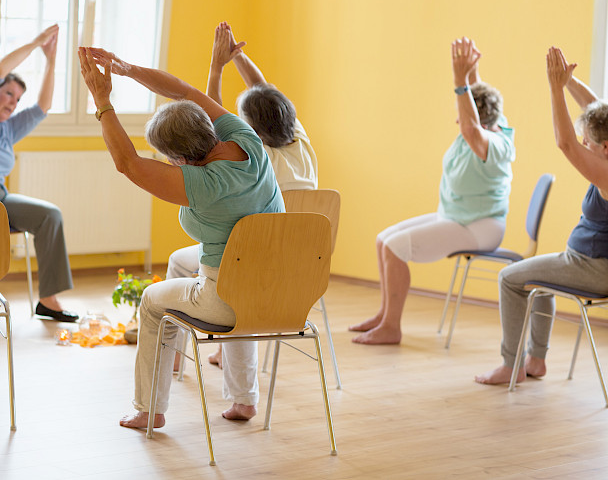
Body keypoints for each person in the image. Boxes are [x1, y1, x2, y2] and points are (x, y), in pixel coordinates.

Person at [78, 45, 284, 429]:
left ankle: (148, 408)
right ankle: (242, 399)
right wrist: (126, 69)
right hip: (279, 284)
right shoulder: (247, 141)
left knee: (153, 301)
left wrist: (102, 101)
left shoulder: (202, 184)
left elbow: (127, 163)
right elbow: (185, 92)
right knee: (185, 263)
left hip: (230, 299)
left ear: (180, 160)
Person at [165, 22, 318, 422]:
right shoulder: (300, 142)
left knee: (210, 271)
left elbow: (210, 115)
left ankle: (179, 356)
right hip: (303, 266)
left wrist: (217, 68)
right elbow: (268, 95)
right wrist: (239, 58)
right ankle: (213, 352)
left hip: (250, 263)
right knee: (216, 271)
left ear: (250, 128)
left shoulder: (251, 159)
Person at [349, 37, 515, 345]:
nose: (457, 114)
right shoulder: (492, 122)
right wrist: (471, 69)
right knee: (383, 240)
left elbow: (470, 126)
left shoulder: (493, 142)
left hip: (479, 226)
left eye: (460, 109)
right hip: (455, 216)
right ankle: (385, 314)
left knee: (397, 248)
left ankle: (392, 327)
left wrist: (459, 81)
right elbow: (479, 105)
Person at [476, 48, 608, 385]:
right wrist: (569, 82)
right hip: (588, 263)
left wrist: (554, 88)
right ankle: (535, 361)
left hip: (592, 268)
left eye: (589, 142)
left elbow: (566, 143)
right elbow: (596, 113)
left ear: (605, 148)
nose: (583, 142)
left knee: (509, 278)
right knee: (538, 282)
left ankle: (512, 366)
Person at [0, 25, 77, 324]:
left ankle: (47, 300)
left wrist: (50, 61)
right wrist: (35, 43)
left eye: (18, 99)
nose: (13, 102)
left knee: (50, 215)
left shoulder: (8, 129)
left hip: (0, 198)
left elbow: (43, 106)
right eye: (8, 93)